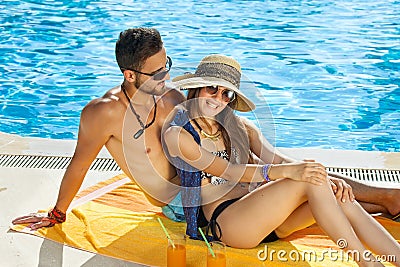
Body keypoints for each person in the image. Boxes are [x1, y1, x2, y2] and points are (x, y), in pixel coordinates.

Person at [11, 28, 400, 230]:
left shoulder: (170, 98)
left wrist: (256, 148)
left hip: (215, 178)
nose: (166, 77)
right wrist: (58, 213)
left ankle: (386, 199)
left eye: (168, 65)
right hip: (184, 204)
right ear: (130, 74)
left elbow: (215, 128)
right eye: (157, 72)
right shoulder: (102, 114)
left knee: (298, 176)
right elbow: (79, 164)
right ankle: (384, 200)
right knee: (294, 188)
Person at [163, 54, 400, 266]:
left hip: (273, 222)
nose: (218, 98)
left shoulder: (240, 127)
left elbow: (279, 160)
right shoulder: (180, 134)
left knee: (339, 195)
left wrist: (325, 177)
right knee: (305, 181)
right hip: (230, 224)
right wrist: (291, 173)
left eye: (227, 93)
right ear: (197, 88)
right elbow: (229, 171)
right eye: (212, 89)